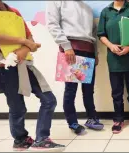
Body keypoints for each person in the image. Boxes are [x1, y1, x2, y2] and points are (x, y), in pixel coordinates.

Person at [0, 0, 65, 151]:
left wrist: (22, 50)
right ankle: (20, 140)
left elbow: (31, 40)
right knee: (17, 107)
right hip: (5, 67)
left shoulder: (14, 11)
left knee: (49, 100)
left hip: (25, 64)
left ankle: (41, 139)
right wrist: (22, 41)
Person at [46, 1, 104, 135]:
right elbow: (52, 24)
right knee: (71, 90)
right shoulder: (58, 1)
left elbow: (93, 34)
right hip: (71, 48)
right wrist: (66, 46)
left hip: (88, 49)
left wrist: (95, 53)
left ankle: (91, 118)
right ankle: (72, 122)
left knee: (88, 90)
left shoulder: (88, 7)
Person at [97, 0, 129, 134]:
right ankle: (118, 118)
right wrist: (111, 46)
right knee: (116, 92)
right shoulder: (106, 12)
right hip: (114, 59)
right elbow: (101, 34)